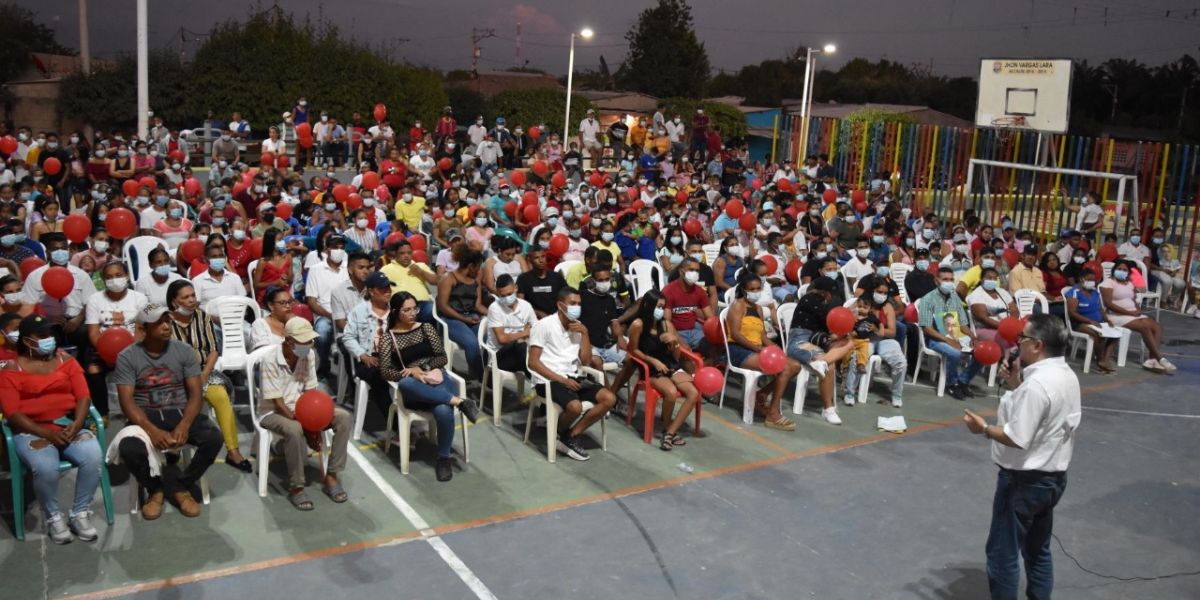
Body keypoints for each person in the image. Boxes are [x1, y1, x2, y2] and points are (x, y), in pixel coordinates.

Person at [962, 314, 1080, 600]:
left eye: (1023, 338)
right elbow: (1040, 419)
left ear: (1038, 345)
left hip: (1024, 481)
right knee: (1037, 550)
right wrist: (1015, 384)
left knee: (1002, 554)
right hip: (1052, 477)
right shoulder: (1066, 375)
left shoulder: (1037, 386)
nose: (1018, 343)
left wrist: (985, 429)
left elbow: (1017, 437)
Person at [113, 304, 223, 520]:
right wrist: (152, 430)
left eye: (167, 320)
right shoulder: (127, 356)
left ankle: (181, 487)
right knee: (129, 448)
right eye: (159, 322)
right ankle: (155, 489)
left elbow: (195, 393)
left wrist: (184, 424)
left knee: (213, 438)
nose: (166, 325)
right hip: (145, 415)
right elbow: (127, 402)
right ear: (144, 328)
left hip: (179, 410)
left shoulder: (183, 351)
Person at [0, 315, 103, 543]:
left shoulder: (66, 360)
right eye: (43, 335)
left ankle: (79, 513)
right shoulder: (11, 369)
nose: (50, 339)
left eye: (51, 334)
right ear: (27, 341)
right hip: (32, 430)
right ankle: (54, 518)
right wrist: (46, 433)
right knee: (45, 467)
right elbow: (12, 413)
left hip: (68, 424)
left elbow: (83, 396)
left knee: (93, 456)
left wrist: (77, 424)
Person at [378, 292, 480, 481]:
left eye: (414, 308)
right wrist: (409, 372)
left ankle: (444, 458)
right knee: (406, 383)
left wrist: (422, 368)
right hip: (415, 389)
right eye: (406, 310)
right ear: (395, 312)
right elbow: (385, 371)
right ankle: (459, 401)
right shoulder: (388, 339)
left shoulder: (426, 328)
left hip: (436, 377)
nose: (412, 313)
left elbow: (442, 357)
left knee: (442, 410)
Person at [258, 317, 352, 509]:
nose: (308, 345)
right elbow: (277, 402)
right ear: (289, 341)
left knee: (343, 417)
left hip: (303, 408)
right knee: (294, 430)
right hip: (274, 411)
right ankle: (297, 487)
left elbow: (310, 392)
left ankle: (332, 475)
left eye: (310, 341)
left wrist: (315, 423)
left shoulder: (308, 355)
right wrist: (308, 428)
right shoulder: (269, 360)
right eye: (304, 341)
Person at [165, 280, 250, 473]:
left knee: (221, 398)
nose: (191, 300)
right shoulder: (165, 321)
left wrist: (203, 376)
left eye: (193, 295)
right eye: (185, 297)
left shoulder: (202, 317)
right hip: (176, 378)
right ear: (173, 302)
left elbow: (213, 350)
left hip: (204, 373)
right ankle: (175, 446)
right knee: (177, 402)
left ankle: (233, 451)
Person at [528, 287, 617, 461]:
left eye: (579, 304)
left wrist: (585, 334)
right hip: (548, 379)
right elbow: (533, 362)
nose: (577, 307)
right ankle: (558, 434)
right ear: (560, 305)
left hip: (573, 375)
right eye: (573, 304)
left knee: (609, 399)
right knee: (575, 407)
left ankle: (569, 436)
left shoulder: (578, 327)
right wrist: (562, 380)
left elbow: (585, 361)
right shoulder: (543, 325)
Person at [724, 270, 802, 431]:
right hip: (739, 350)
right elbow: (736, 334)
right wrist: (759, 349)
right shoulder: (738, 305)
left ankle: (762, 394)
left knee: (795, 366)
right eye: (752, 289)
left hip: (757, 349)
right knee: (784, 368)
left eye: (758, 288)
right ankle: (773, 414)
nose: (755, 292)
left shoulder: (758, 309)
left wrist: (776, 350)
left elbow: (763, 337)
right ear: (744, 290)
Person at [624, 290, 701, 450]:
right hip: (651, 369)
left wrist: (675, 344)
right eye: (658, 306)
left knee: (693, 394)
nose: (661, 310)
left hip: (670, 365)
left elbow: (676, 356)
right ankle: (668, 427)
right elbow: (633, 350)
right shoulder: (638, 325)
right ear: (648, 306)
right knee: (671, 393)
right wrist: (653, 360)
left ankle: (670, 432)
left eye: (663, 307)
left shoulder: (666, 324)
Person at [917, 267, 982, 400]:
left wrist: (973, 337)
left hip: (956, 336)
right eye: (945, 279)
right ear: (936, 281)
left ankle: (963, 381)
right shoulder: (927, 299)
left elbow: (963, 324)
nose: (949, 282)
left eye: (951, 279)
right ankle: (951, 384)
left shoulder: (955, 298)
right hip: (936, 339)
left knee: (982, 351)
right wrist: (948, 340)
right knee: (954, 353)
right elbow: (927, 328)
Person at [1099, 260, 1172, 374]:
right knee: (1144, 327)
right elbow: (1108, 304)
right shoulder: (1108, 283)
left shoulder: (1129, 283)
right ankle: (1159, 357)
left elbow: (1132, 298)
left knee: (1157, 327)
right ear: (1114, 270)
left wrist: (1137, 308)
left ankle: (1151, 359)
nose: (1122, 272)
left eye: (1125, 270)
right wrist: (1129, 313)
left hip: (1132, 313)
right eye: (1119, 269)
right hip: (1116, 315)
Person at [845, 282, 907, 408]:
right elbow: (845, 316)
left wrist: (875, 329)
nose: (882, 295)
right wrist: (855, 314)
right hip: (864, 339)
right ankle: (850, 393)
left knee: (901, 362)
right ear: (872, 291)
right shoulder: (861, 302)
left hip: (884, 339)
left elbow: (892, 332)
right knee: (856, 358)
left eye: (885, 293)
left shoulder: (887, 307)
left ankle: (897, 394)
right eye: (879, 292)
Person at [341, 272, 393, 413]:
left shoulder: (396, 310)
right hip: (369, 358)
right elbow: (348, 337)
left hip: (395, 356)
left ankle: (409, 416)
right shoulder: (359, 311)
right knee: (379, 377)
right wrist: (363, 355)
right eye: (382, 289)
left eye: (389, 287)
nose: (387, 291)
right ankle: (396, 426)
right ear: (371, 291)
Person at [435, 247, 486, 379]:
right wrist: (464, 319)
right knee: (472, 343)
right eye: (478, 267)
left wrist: (493, 315)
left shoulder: (476, 281)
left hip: (471, 318)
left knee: (488, 339)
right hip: (450, 319)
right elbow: (443, 306)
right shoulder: (448, 278)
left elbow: (478, 306)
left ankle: (487, 371)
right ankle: (481, 376)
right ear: (470, 266)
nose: (479, 271)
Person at [305, 234, 349, 378]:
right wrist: (331, 315)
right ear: (327, 249)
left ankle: (351, 370)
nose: (339, 250)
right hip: (325, 314)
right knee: (322, 332)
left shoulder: (349, 269)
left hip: (348, 314)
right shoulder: (316, 270)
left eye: (342, 247)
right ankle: (324, 364)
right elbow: (311, 301)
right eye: (335, 247)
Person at [1063, 269, 1118, 373]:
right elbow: (1072, 313)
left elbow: (1100, 308)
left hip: (1098, 322)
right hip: (1080, 323)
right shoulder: (1074, 292)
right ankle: (1100, 359)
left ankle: (1105, 360)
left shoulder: (1095, 292)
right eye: (1089, 280)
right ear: (1081, 279)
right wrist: (1089, 321)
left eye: (1093, 280)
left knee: (1116, 334)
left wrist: (1107, 320)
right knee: (1097, 333)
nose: (1092, 282)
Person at [485, 274, 538, 373]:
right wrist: (524, 333)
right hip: (499, 357)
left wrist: (525, 335)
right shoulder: (495, 308)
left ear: (516, 288)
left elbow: (536, 329)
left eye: (509, 294)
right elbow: (502, 339)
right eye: (502, 296)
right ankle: (538, 383)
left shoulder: (526, 305)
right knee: (524, 350)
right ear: (497, 293)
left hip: (522, 350)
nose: (507, 298)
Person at [379, 239, 437, 322]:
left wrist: (421, 272)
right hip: (401, 307)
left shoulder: (420, 266)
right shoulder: (386, 269)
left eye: (409, 253)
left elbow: (436, 281)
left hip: (422, 305)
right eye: (402, 253)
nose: (406, 256)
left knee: (434, 310)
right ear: (395, 254)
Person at [663, 257, 715, 350]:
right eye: (691, 270)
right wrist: (680, 342)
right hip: (676, 332)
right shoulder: (668, 291)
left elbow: (710, 317)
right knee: (686, 358)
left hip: (695, 331)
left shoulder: (699, 291)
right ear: (681, 272)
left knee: (715, 348)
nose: (695, 273)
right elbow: (667, 322)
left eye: (697, 271)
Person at [516, 246, 566, 319]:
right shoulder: (523, 279)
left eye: (543, 256)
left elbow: (566, 297)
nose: (541, 260)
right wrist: (537, 313)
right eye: (536, 258)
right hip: (533, 319)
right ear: (530, 260)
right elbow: (521, 303)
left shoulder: (557, 277)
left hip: (556, 318)